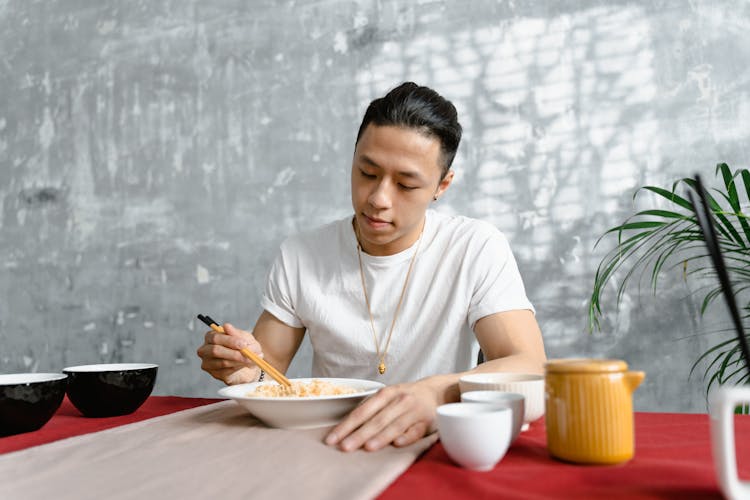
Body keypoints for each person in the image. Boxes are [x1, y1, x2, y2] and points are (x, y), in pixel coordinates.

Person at [196, 82, 546, 451]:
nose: (378, 198)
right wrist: (242, 367)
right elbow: (265, 368)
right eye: (367, 173)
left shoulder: (474, 247)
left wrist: (437, 392)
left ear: (441, 185)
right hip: (325, 441)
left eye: (406, 185)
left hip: (426, 445)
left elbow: (529, 364)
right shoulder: (302, 253)